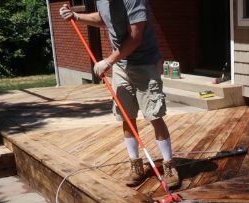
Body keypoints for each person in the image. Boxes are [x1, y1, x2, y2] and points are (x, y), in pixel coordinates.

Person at [59, 1, 179, 188]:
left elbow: (136, 36)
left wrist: (108, 61)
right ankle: (135, 165)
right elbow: (104, 17)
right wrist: (76, 16)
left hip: (145, 64)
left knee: (154, 115)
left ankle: (169, 165)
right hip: (122, 65)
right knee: (126, 116)